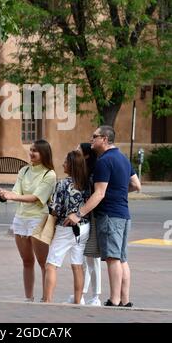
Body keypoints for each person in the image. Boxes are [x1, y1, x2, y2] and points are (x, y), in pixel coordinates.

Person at [64, 126, 141, 307]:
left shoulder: (104, 161)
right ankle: (125, 299)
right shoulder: (123, 158)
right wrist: (118, 190)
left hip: (109, 215)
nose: (91, 140)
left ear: (105, 139)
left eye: (95, 137)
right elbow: (136, 185)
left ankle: (114, 301)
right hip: (124, 214)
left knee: (113, 258)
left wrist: (78, 214)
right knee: (122, 258)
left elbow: (99, 194)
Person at [0, 139, 56, 302]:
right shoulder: (24, 170)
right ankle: (29, 298)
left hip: (38, 220)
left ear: (44, 154)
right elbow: (15, 192)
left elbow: (36, 198)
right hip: (21, 220)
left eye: (35, 151)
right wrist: (3, 194)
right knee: (27, 261)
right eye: (31, 150)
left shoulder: (49, 174)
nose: (31, 153)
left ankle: (46, 298)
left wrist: (12, 196)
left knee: (43, 262)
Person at [44, 150, 90, 304]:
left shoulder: (63, 184)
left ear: (71, 165)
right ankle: (78, 300)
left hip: (65, 227)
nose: (62, 164)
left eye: (65, 161)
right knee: (77, 265)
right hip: (83, 226)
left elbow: (54, 209)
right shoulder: (87, 184)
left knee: (51, 264)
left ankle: (48, 300)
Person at [66, 142, 102, 306]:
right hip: (83, 219)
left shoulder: (94, 172)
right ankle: (80, 294)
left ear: (86, 155)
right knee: (84, 259)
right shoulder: (82, 173)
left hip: (93, 216)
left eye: (79, 149)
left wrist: (81, 213)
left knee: (93, 258)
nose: (75, 150)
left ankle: (96, 296)